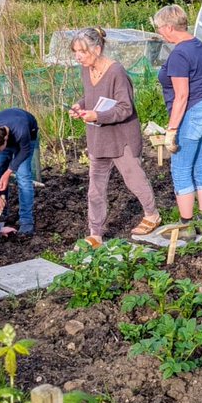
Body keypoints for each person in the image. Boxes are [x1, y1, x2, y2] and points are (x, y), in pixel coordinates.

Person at [69, 27, 161, 242]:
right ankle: (96, 233)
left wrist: (96, 116)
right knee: (95, 190)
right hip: (98, 138)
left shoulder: (116, 72)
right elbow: (91, 96)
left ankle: (152, 214)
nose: (78, 57)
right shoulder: (86, 69)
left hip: (121, 138)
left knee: (134, 180)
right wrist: (80, 106)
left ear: (98, 49)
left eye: (82, 52)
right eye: (75, 52)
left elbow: (125, 108)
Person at [154, 5, 202, 228]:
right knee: (199, 166)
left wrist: (171, 130)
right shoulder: (200, 46)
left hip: (190, 115)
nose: (160, 33)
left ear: (170, 27)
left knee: (180, 170)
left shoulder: (180, 53)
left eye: (160, 28)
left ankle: (187, 225)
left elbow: (181, 95)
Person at [0, 108, 38, 235]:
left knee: (23, 176)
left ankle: (26, 220)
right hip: (6, 138)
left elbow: (25, 151)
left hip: (27, 137)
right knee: (0, 169)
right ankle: (1, 212)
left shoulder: (21, 130)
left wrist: (8, 172)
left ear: (5, 140)